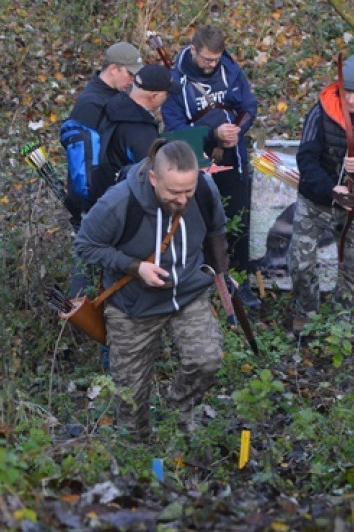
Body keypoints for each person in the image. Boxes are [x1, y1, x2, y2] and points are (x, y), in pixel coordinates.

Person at [75, 140, 228, 440]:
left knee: (206, 360)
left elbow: (217, 231)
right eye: (174, 193)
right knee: (130, 394)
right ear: (155, 178)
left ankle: (177, 413)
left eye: (188, 191)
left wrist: (222, 275)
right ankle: (137, 445)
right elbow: (85, 245)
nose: (182, 200)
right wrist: (135, 267)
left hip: (188, 293)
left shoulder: (205, 189)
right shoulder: (119, 202)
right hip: (134, 306)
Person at [288, 54, 354, 332]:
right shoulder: (320, 112)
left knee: (353, 264)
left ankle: (342, 318)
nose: (351, 100)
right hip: (315, 200)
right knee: (300, 263)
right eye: (347, 92)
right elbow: (306, 159)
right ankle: (307, 312)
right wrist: (329, 188)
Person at [161, 25, 259, 306]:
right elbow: (175, 130)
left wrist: (237, 130)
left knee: (238, 221)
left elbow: (248, 107)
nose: (212, 65)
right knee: (199, 224)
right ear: (193, 50)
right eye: (206, 59)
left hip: (233, 159)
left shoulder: (231, 70)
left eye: (216, 59)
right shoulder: (175, 81)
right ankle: (202, 286)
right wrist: (213, 134)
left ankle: (240, 284)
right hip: (195, 165)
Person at [61, 41, 143, 224]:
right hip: (100, 205)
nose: (132, 80)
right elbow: (88, 162)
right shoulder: (91, 105)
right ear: (113, 69)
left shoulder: (116, 96)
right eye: (130, 74)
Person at [89, 63, 181, 202]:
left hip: (106, 193)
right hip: (126, 201)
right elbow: (154, 177)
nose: (167, 98)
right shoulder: (142, 133)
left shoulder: (114, 107)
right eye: (167, 94)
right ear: (154, 96)